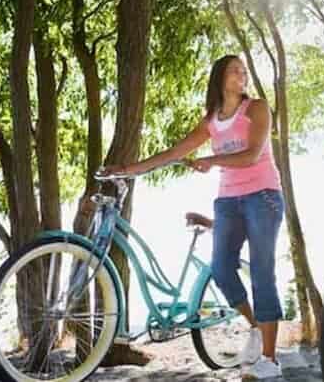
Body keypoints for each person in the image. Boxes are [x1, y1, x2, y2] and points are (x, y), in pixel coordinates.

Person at [103, 55, 284, 379]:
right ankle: (257, 326)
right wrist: (127, 170)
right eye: (234, 70)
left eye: (244, 69)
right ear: (219, 78)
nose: (242, 73)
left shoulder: (256, 108)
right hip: (228, 201)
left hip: (263, 196)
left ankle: (269, 360)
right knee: (222, 270)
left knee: (261, 271)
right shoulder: (212, 120)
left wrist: (212, 159)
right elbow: (174, 152)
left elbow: (253, 154)